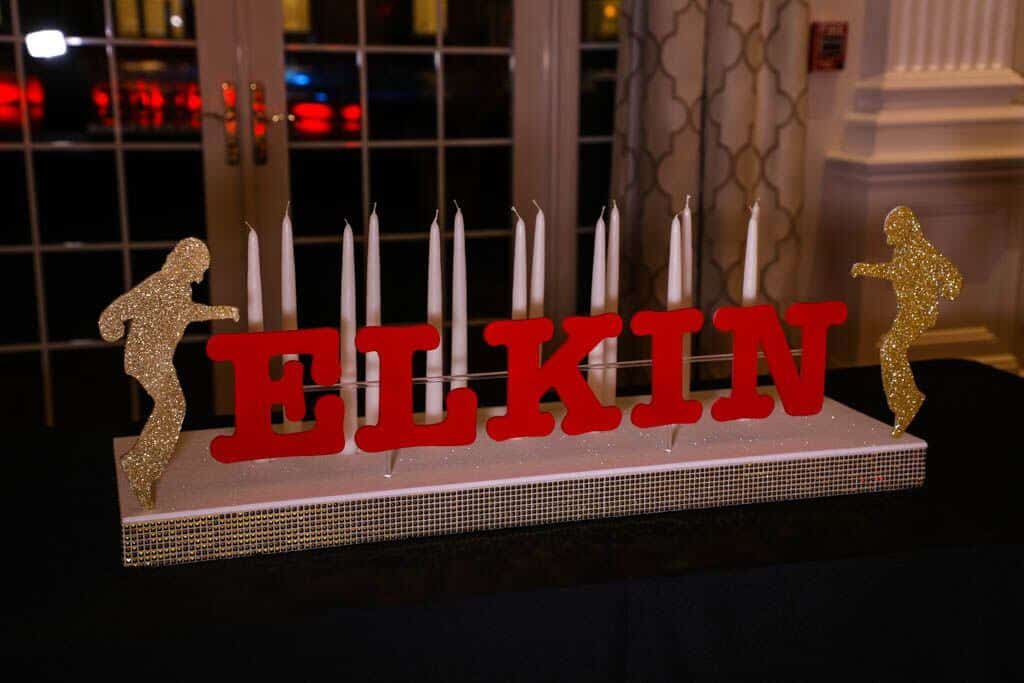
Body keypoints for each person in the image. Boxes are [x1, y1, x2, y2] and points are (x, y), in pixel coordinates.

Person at [99, 237, 238, 508]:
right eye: (199, 270)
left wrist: (223, 311)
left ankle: (138, 463)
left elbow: (188, 312)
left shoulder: (178, 288)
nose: (200, 278)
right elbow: (118, 310)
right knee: (173, 407)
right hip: (146, 359)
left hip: (159, 360)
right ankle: (140, 470)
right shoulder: (158, 284)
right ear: (187, 265)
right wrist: (111, 329)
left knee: (173, 408)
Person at [851, 206, 962, 437]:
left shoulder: (917, 250)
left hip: (917, 312)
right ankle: (905, 401)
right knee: (890, 350)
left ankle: (908, 401)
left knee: (891, 349)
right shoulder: (907, 250)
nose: (887, 236)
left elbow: (901, 272)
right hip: (908, 311)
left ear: (903, 229)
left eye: (890, 230)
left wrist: (947, 288)